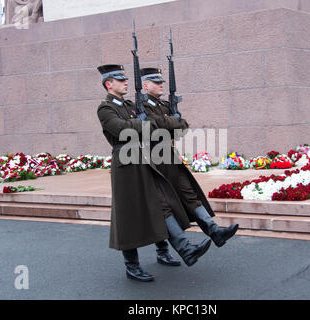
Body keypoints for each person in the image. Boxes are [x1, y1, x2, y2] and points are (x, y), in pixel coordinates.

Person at [96, 64, 211, 282]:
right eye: (120, 80)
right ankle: (132, 265)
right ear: (108, 84)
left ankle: (184, 249)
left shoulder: (131, 105)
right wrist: (141, 124)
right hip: (126, 165)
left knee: (161, 204)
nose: (126, 82)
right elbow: (121, 129)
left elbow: (151, 124)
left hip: (145, 160)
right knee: (127, 215)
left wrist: (142, 124)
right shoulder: (105, 108)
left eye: (125, 79)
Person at [140, 67, 239, 247]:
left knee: (189, 194)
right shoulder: (142, 107)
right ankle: (165, 250)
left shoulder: (163, 106)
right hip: (154, 160)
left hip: (170, 156)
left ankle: (214, 231)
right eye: (156, 82)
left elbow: (182, 127)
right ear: (145, 86)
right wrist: (173, 121)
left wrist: (173, 122)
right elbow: (157, 125)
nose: (161, 84)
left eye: (161, 81)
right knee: (163, 205)